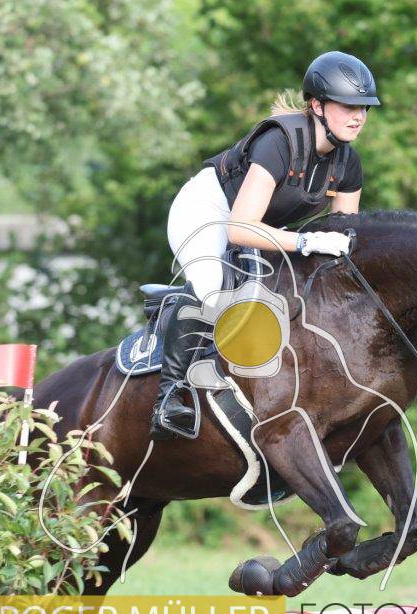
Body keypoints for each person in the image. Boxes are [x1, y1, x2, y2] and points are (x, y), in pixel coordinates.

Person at [153, 50, 380, 440]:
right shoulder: (279, 142)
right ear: (317, 106)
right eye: (348, 106)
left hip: (261, 226)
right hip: (209, 211)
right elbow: (239, 229)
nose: (358, 116)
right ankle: (170, 396)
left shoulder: (348, 164)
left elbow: (343, 241)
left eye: (363, 107)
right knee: (212, 291)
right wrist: (306, 240)